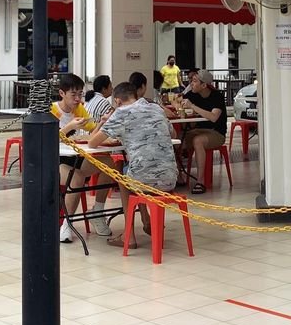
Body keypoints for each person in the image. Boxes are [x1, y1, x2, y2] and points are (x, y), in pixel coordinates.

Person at [88, 80, 178, 249]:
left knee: (124, 177)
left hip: (143, 178)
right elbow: (172, 132)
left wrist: (105, 121)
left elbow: (93, 142)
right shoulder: (156, 108)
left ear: (117, 101)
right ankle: (146, 220)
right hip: (171, 178)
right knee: (132, 172)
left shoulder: (121, 113)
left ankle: (129, 237)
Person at [51, 73, 114, 243]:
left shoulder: (79, 109)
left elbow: (92, 133)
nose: (78, 99)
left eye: (80, 94)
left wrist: (102, 122)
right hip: (54, 162)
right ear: (62, 93)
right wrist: (70, 126)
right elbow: (47, 139)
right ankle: (66, 224)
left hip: (76, 158)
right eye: (74, 94)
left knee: (109, 164)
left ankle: (97, 211)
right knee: (77, 177)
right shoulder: (53, 110)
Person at [182, 69, 227, 193]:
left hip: (216, 132)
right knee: (177, 140)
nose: (191, 83)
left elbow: (213, 117)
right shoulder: (192, 94)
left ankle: (200, 181)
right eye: (191, 80)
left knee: (198, 141)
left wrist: (192, 107)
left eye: (195, 81)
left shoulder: (216, 96)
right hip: (198, 130)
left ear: (204, 85)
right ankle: (179, 176)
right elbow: (180, 102)